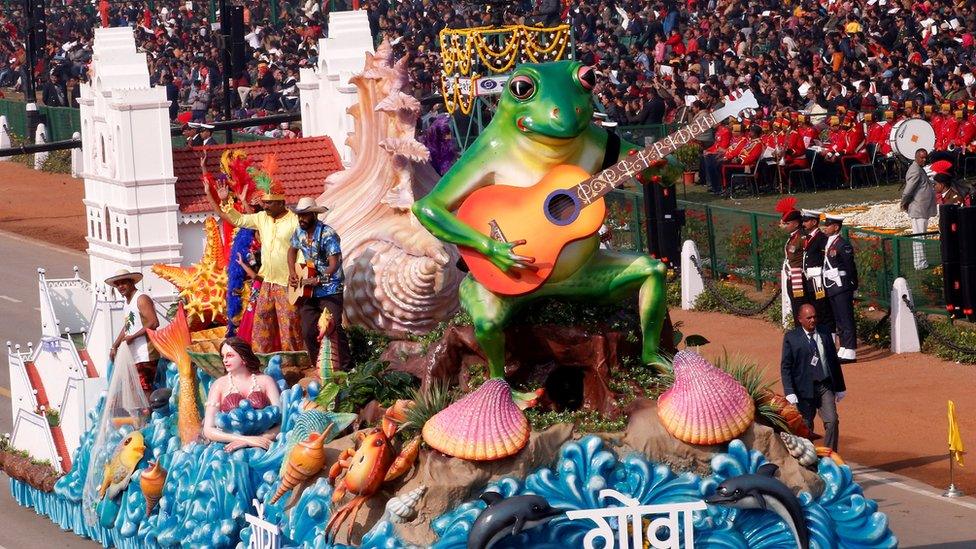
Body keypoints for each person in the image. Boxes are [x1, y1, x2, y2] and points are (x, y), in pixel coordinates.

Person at [216, 169, 303, 354]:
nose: (265, 206)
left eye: (269, 203)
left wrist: (299, 276)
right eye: (264, 203)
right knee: (261, 324)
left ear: (281, 202)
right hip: (266, 282)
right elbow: (238, 219)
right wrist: (225, 201)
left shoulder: (295, 221)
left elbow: (303, 250)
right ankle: (260, 363)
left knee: (289, 327)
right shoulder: (262, 217)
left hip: (288, 283)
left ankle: (294, 365)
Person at [287, 197, 350, 369]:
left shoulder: (328, 234)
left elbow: (334, 265)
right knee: (308, 330)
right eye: (299, 215)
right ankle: (319, 367)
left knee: (333, 327)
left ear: (314, 214)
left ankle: (345, 367)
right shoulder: (299, 232)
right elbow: (291, 251)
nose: (301, 219)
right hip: (307, 289)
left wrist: (319, 279)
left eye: (305, 215)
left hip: (330, 288)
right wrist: (293, 273)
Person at [780, 303, 847, 451]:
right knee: (806, 426)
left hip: (824, 385)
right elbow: (786, 367)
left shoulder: (824, 332)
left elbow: (833, 361)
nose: (813, 320)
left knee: (832, 421)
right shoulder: (792, 338)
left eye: (814, 317)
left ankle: (830, 455)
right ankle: (808, 457)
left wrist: (841, 387)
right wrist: (789, 391)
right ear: (800, 319)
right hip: (804, 390)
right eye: (809, 317)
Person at [203, 337, 281, 452]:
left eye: (229, 355)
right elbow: (208, 429)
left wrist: (259, 439)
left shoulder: (265, 381)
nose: (225, 360)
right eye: (223, 356)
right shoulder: (219, 385)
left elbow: (282, 420)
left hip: (264, 444)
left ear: (243, 357)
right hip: (229, 446)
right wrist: (246, 440)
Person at [106, 269, 160, 394]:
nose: (120, 287)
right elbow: (128, 326)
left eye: (123, 283)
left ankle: (149, 413)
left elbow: (154, 323)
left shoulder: (141, 299)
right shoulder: (127, 302)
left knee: (145, 387)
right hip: (134, 354)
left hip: (146, 353)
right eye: (118, 284)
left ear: (132, 283)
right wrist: (115, 345)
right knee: (135, 388)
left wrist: (133, 337)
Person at [821, 215, 858, 362]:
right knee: (839, 319)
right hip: (832, 285)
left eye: (828, 225)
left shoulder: (843, 245)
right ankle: (843, 347)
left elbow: (849, 266)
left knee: (846, 317)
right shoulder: (831, 242)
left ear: (836, 227)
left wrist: (852, 284)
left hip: (842, 285)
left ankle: (850, 350)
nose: (826, 227)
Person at [901, 148, 936, 270]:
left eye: (925, 157)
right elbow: (908, 189)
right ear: (916, 157)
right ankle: (920, 263)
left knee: (920, 236)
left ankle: (920, 262)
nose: (924, 159)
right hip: (918, 208)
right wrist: (904, 202)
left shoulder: (919, 168)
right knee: (919, 237)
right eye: (922, 157)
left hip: (921, 208)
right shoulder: (915, 170)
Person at [801, 209, 833, 332]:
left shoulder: (821, 238)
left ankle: (828, 338)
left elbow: (825, 259)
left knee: (822, 310)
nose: (803, 224)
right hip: (810, 280)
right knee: (814, 308)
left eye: (806, 221)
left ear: (814, 222)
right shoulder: (808, 237)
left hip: (818, 280)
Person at [777, 198, 806, 322]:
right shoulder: (793, 237)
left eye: (787, 223)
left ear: (796, 224)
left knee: (799, 305)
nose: (784, 226)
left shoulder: (801, 237)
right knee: (795, 305)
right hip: (792, 276)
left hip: (798, 276)